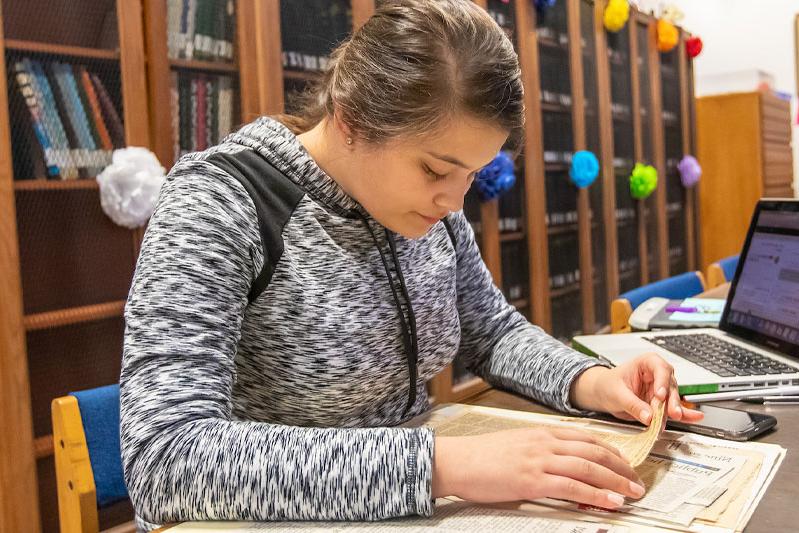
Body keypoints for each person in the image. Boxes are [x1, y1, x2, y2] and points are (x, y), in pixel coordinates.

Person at [120, 0, 702, 529]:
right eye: (434, 170)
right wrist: (440, 465)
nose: (455, 202)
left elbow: (492, 333)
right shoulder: (219, 203)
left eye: (473, 174)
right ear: (350, 119)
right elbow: (165, 457)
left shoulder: (431, 211)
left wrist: (590, 381)